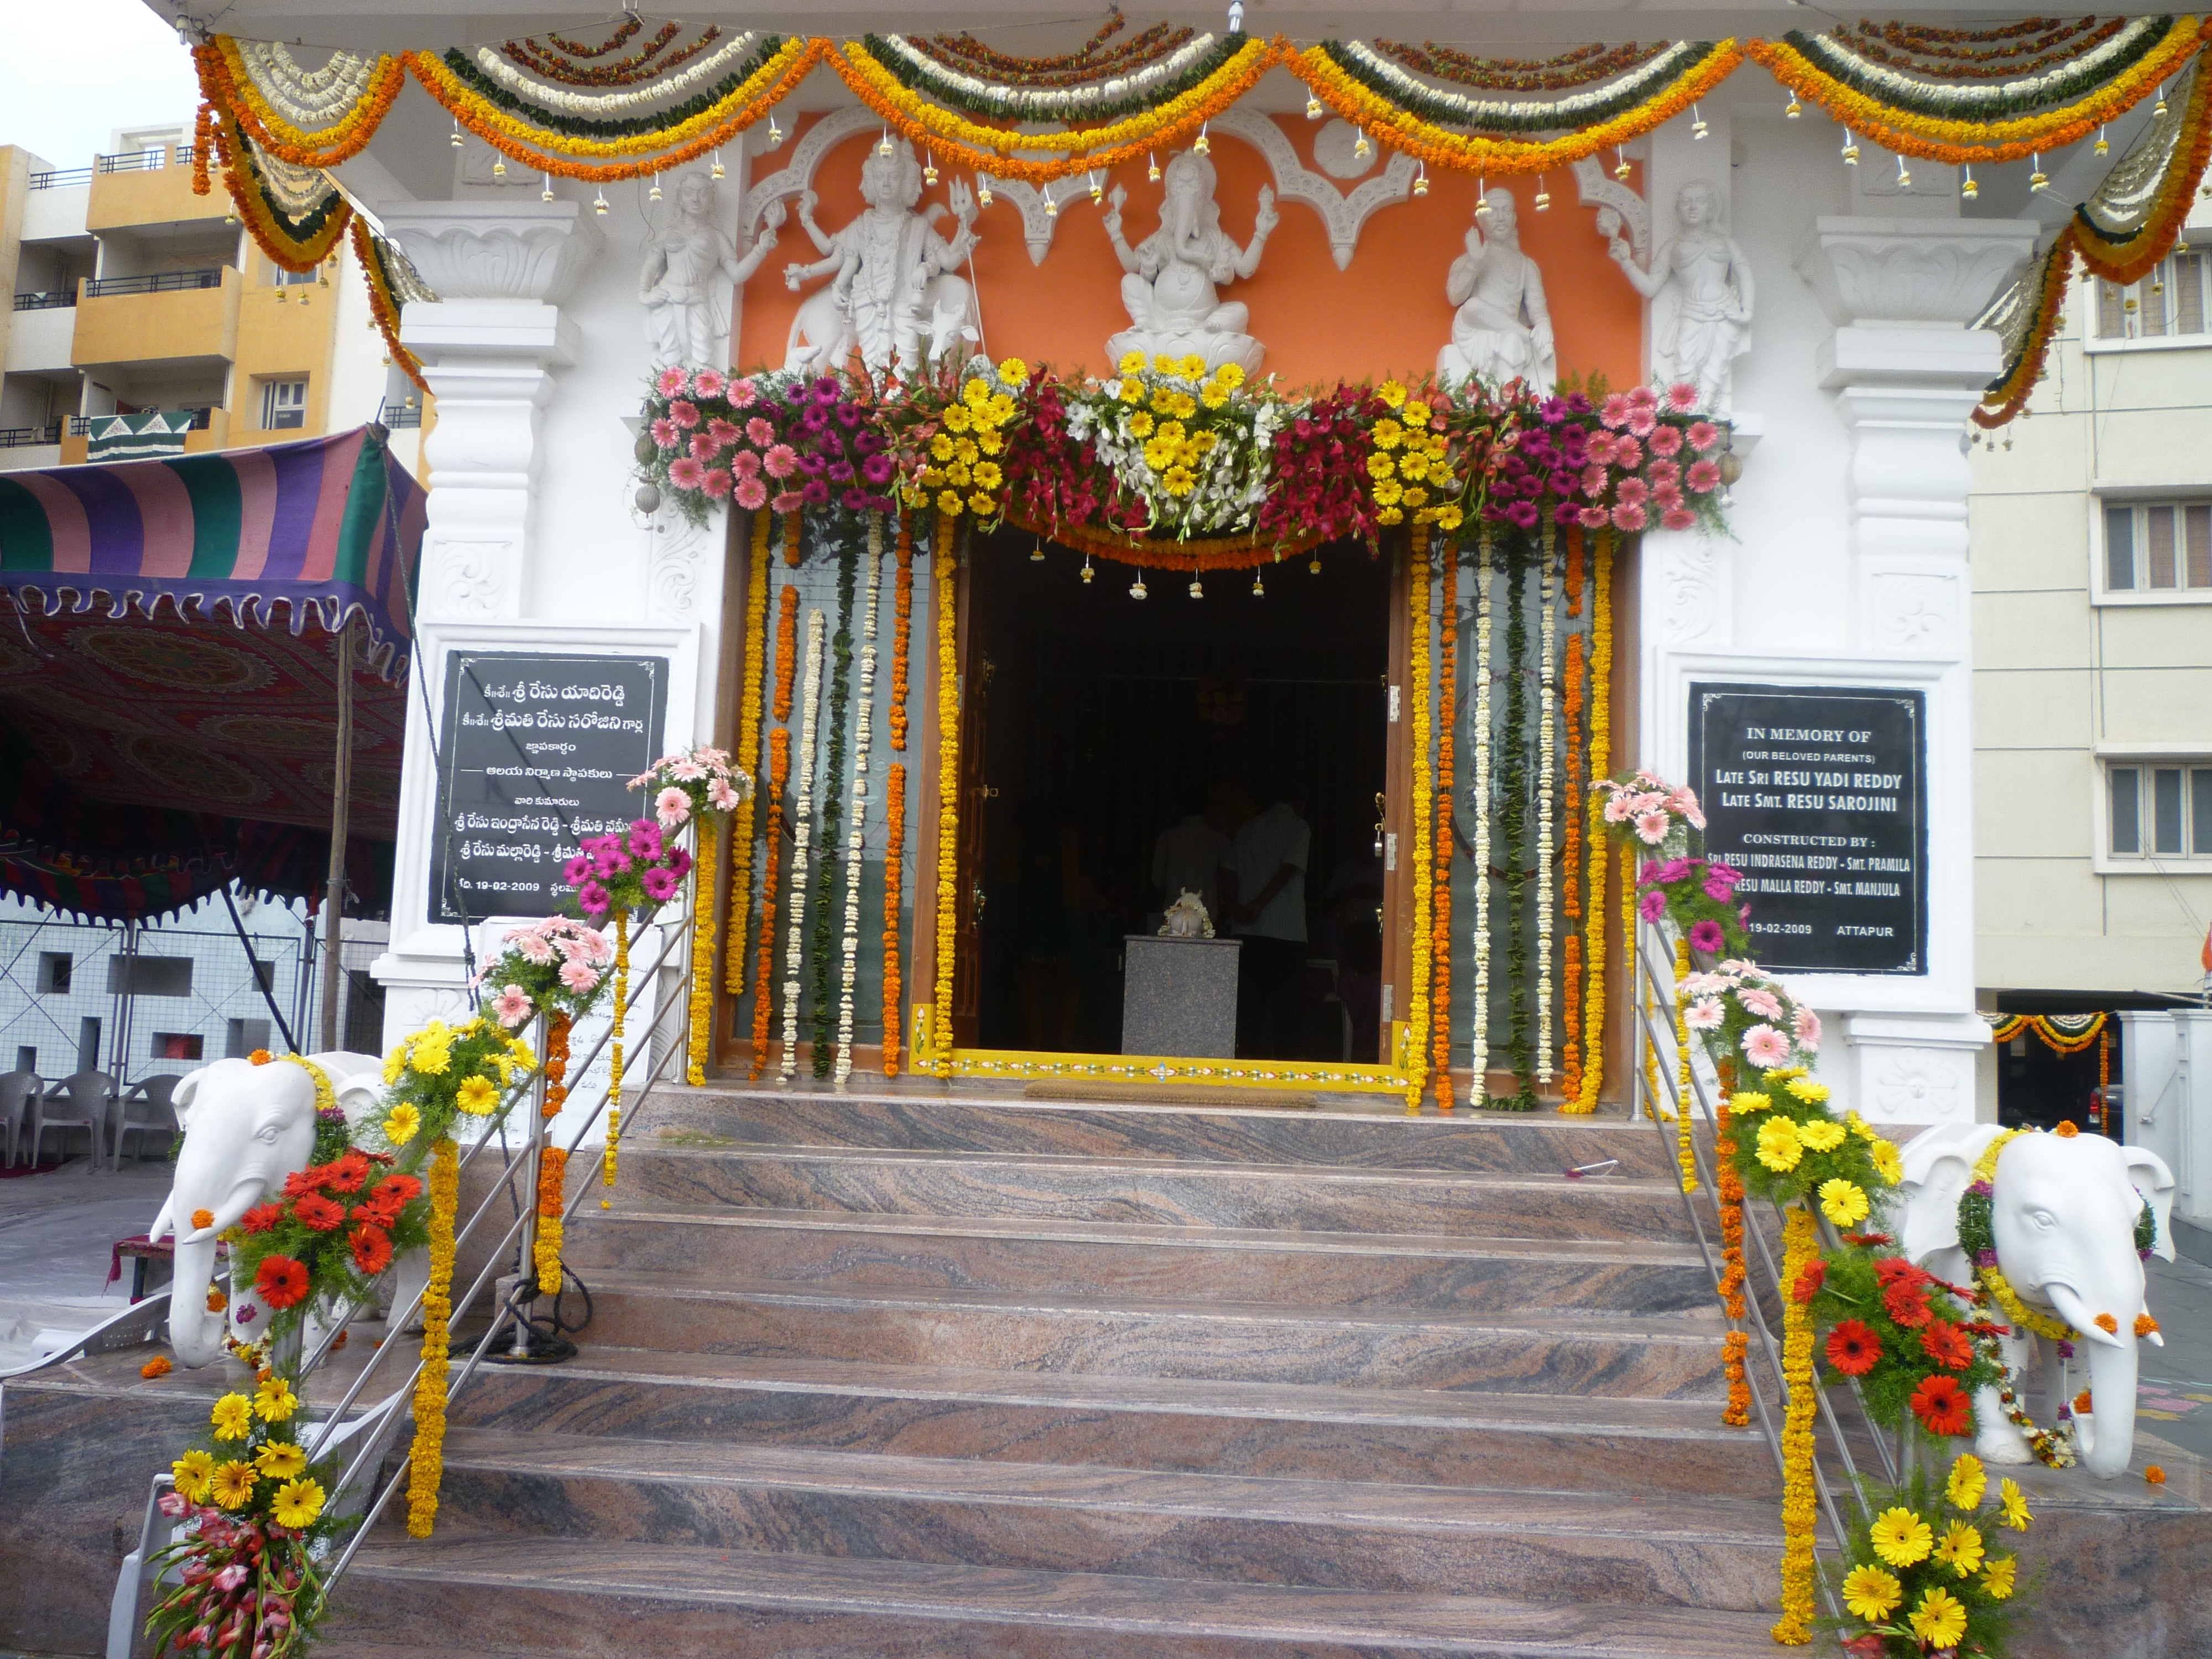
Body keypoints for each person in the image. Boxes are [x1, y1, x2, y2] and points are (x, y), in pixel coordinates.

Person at [1224, 786, 1310, 1058]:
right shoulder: (1299, 828)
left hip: (1248, 931)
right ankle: (1287, 1072)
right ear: (1301, 801)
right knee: (1287, 1011)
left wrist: (1236, 907)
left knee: (1250, 1007)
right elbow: (1287, 870)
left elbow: (1227, 872)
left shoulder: (1248, 828)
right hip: (1287, 932)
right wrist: (1259, 905)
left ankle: (1246, 1066)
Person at [1150, 791, 1230, 924]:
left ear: (1181, 808)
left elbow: (1157, 879)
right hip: (1208, 913)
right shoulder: (1219, 839)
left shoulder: (1167, 838)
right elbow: (1227, 879)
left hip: (1174, 912)